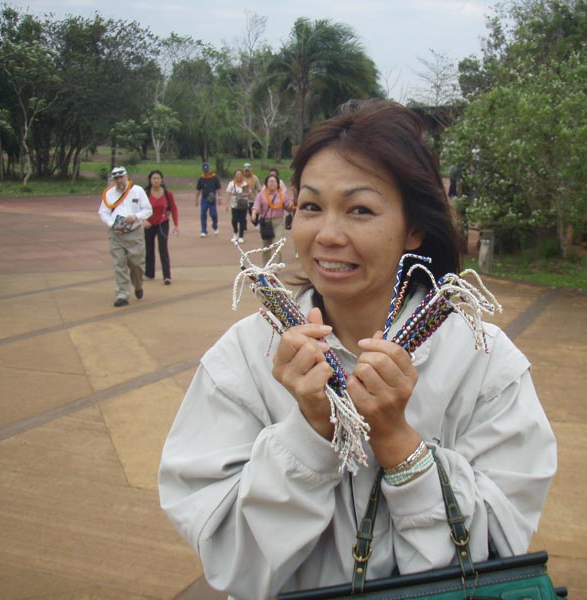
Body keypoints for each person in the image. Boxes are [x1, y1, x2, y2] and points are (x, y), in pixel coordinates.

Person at [158, 99, 556, 600]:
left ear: (414, 227)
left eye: (360, 210)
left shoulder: (483, 361)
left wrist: (397, 443)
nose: (327, 235)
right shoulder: (243, 356)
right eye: (310, 206)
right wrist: (309, 433)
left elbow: (496, 552)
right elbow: (231, 558)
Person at [98, 166, 153, 307]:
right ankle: (122, 294)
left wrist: (135, 217)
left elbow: (148, 210)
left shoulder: (137, 191)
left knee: (136, 264)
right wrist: (111, 223)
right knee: (119, 264)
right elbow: (103, 212)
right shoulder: (109, 194)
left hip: (134, 232)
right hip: (115, 234)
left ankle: (138, 285)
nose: (119, 180)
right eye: (116, 178)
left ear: (126, 176)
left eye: (121, 177)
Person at [143, 170, 179, 284]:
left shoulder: (168, 193)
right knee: (149, 248)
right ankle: (149, 273)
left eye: (158, 178)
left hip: (162, 223)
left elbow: (173, 208)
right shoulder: (145, 193)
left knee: (163, 248)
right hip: (149, 224)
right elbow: (138, 208)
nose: (156, 180)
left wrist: (176, 224)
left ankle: (167, 276)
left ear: (161, 180)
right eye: (154, 178)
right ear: (150, 180)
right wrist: (143, 220)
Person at [250, 173, 295, 264]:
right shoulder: (261, 195)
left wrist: (292, 204)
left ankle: (274, 267)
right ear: (266, 183)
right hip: (266, 222)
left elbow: (288, 207)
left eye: (274, 181)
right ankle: (265, 267)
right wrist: (254, 214)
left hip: (278, 222)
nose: (272, 183)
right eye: (270, 181)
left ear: (278, 184)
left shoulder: (282, 195)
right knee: (266, 246)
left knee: (276, 244)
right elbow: (256, 206)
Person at [195, 162, 222, 237]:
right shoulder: (201, 179)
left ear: (209, 169)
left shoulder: (215, 178)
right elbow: (198, 190)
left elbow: (219, 188)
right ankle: (203, 230)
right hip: (204, 199)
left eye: (207, 170)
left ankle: (215, 226)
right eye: (205, 171)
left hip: (212, 199)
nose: (206, 172)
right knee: (203, 214)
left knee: (213, 214)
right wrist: (196, 200)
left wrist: (220, 197)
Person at [225, 168, 251, 243]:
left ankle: (241, 236)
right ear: (235, 176)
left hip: (243, 204)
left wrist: (244, 194)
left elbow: (249, 192)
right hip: (234, 205)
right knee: (234, 220)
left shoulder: (245, 183)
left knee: (243, 220)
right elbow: (228, 194)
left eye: (240, 174)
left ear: (242, 175)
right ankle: (235, 232)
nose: (238, 176)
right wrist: (226, 205)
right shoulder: (231, 183)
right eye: (237, 174)